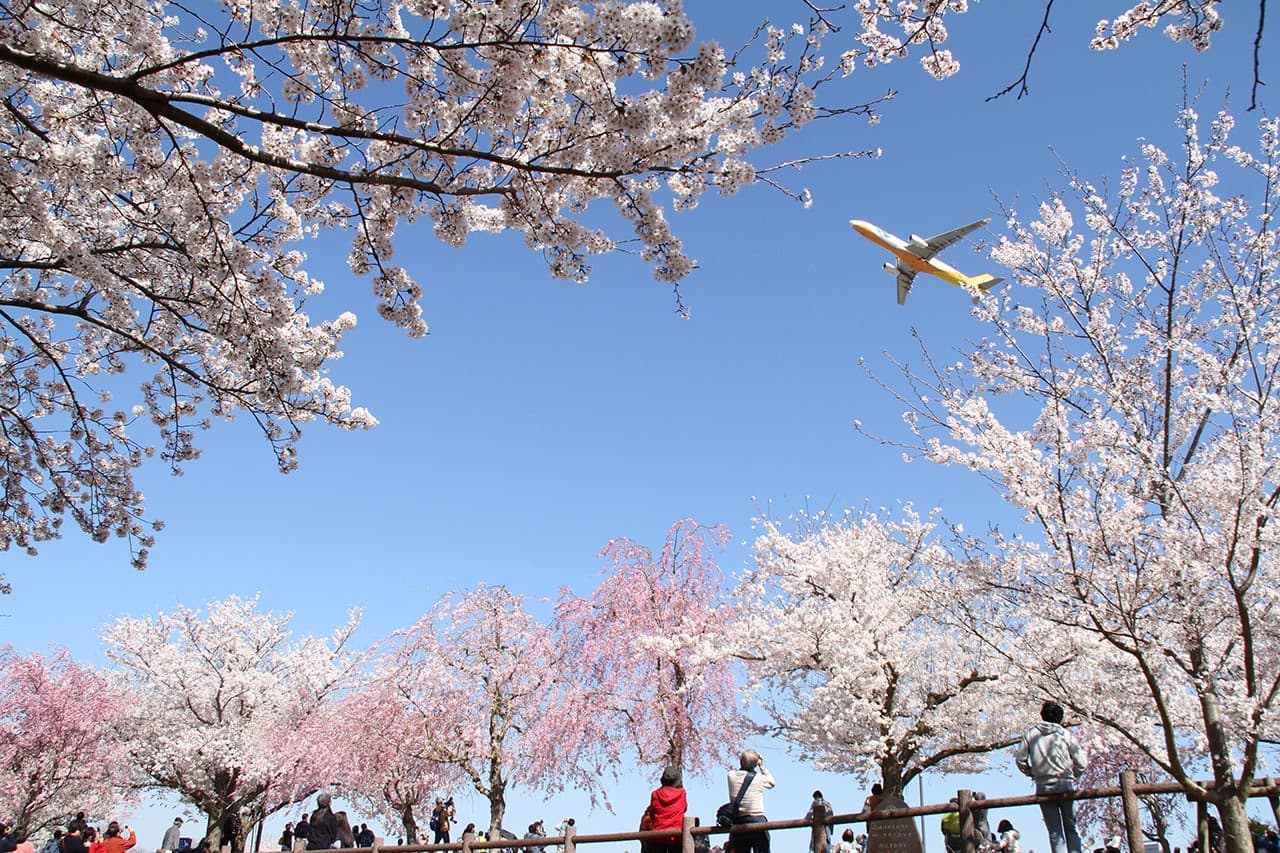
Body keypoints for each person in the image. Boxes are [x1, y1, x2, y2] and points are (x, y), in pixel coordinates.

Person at [1014, 700, 1087, 853]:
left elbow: (1020, 758)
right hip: (1064, 784)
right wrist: (1074, 774)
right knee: (1071, 827)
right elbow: (1081, 761)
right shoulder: (1064, 733)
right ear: (1060, 717)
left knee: (1054, 832)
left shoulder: (1031, 733)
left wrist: (1031, 772)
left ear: (1042, 715)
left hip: (1043, 786)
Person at [726, 749, 775, 853]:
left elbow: (736, 771)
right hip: (757, 820)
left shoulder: (731, 776)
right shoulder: (759, 778)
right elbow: (772, 783)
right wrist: (762, 767)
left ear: (740, 761)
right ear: (756, 764)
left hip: (739, 821)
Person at [645, 765, 687, 853]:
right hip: (676, 837)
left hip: (657, 836)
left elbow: (652, 812)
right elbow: (684, 808)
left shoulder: (655, 794)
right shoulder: (682, 793)